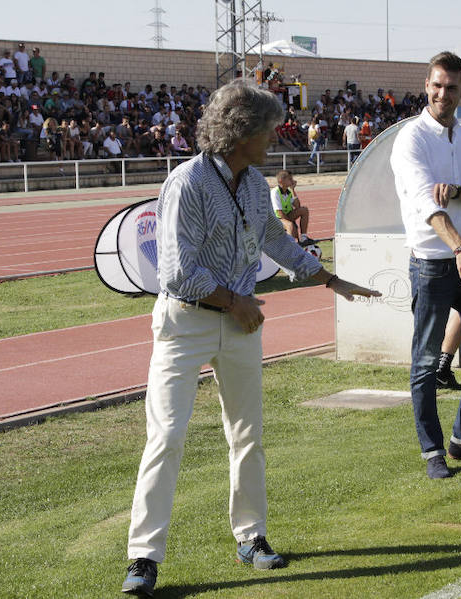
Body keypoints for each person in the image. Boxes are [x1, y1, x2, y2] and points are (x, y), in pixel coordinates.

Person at [121, 78, 379, 596]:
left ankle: (252, 537)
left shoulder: (258, 184)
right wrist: (234, 301)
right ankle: (144, 558)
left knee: (248, 436)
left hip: (239, 324)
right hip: (186, 322)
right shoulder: (187, 183)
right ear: (242, 133)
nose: (275, 137)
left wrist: (327, 278)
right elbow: (175, 271)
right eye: (267, 128)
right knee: (167, 436)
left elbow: (272, 241)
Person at [390, 51, 461, 480]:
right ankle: (431, 451)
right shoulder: (411, 139)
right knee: (425, 361)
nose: (443, 93)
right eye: (437, 85)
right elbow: (426, 204)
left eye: (452, 87)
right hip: (434, 263)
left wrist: (458, 190)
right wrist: (459, 248)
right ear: (427, 86)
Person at [270, 170, 310, 242]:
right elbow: (279, 213)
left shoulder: (288, 191)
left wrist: (292, 190)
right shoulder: (275, 192)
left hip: (287, 215)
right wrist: (292, 225)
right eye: (290, 179)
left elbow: (297, 206)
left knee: (304, 210)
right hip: (276, 219)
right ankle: (290, 247)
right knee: (290, 226)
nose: (293, 181)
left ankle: (304, 238)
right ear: (281, 181)